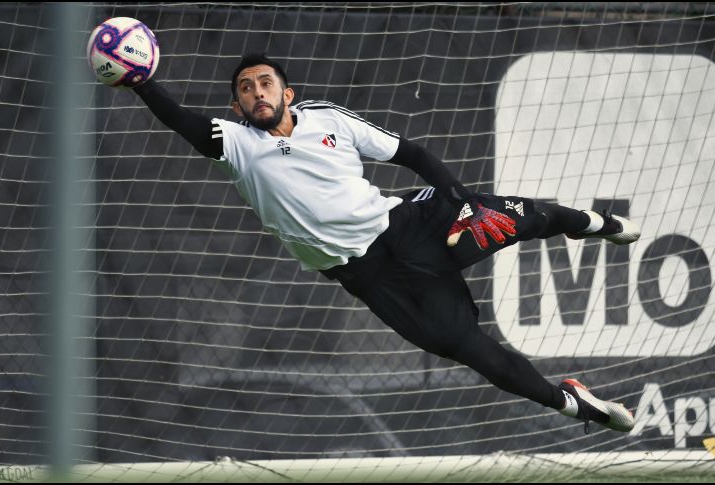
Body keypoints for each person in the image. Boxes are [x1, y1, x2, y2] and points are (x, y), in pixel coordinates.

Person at [131, 53, 640, 434]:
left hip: (407, 224)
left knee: (525, 219)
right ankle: (570, 400)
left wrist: (461, 200)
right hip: (371, 275)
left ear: (287, 94)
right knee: (467, 349)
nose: (257, 92)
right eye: (246, 88)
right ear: (237, 104)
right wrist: (141, 82)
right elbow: (181, 121)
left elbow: (411, 152)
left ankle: (591, 223)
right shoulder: (235, 143)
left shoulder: (328, 119)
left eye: (266, 83)